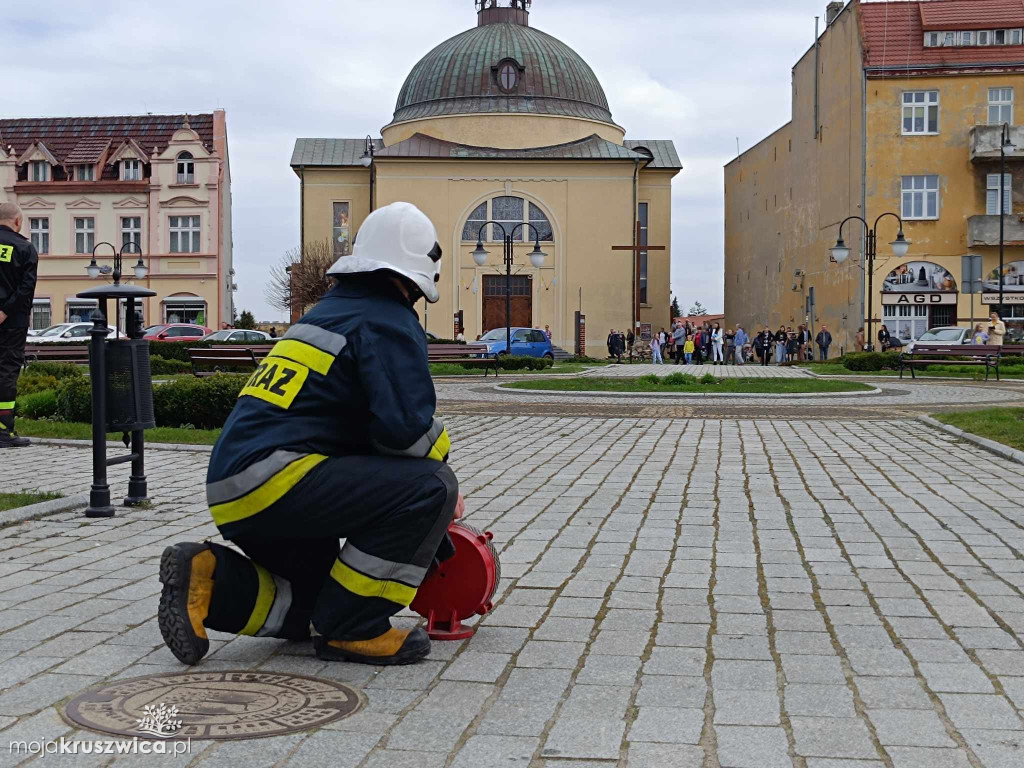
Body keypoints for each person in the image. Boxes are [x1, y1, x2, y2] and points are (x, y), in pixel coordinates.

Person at [156, 202, 461, 668]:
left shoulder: (324, 313)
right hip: (282, 480)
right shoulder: (387, 319)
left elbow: (351, 424)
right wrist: (439, 484)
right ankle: (355, 630)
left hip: (233, 489)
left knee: (318, 602)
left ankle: (209, 580)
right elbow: (405, 434)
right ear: (417, 275)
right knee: (433, 487)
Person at [0, 203, 38, 449]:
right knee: (6, 371)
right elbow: (26, 289)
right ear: (17, 222)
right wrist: (5, 310)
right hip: (12, 322)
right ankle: (4, 430)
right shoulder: (25, 248)